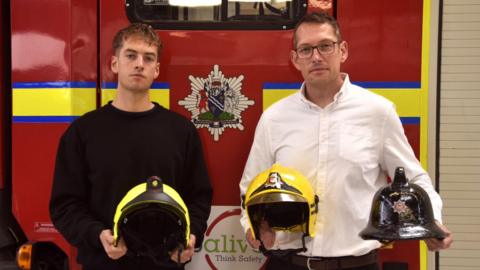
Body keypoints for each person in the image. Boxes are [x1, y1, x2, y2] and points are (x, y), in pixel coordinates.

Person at [239, 12, 453, 270]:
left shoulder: (378, 112)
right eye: (306, 49)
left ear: (343, 51)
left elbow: (415, 179)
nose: (316, 57)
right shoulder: (274, 119)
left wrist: (432, 220)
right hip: (287, 263)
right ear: (295, 59)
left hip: (357, 264)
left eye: (325, 46)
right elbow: (250, 187)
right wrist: (254, 225)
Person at [50, 23, 212, 270]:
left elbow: (198, 196)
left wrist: (192, 235)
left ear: (156, 69)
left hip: (164, 264)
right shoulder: (83, 132)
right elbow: (65, 205)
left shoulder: (181, 131)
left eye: (148, 58)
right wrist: (97, 235)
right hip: (104, 263)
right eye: (131, 55)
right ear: (115, 63)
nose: (139, 64)